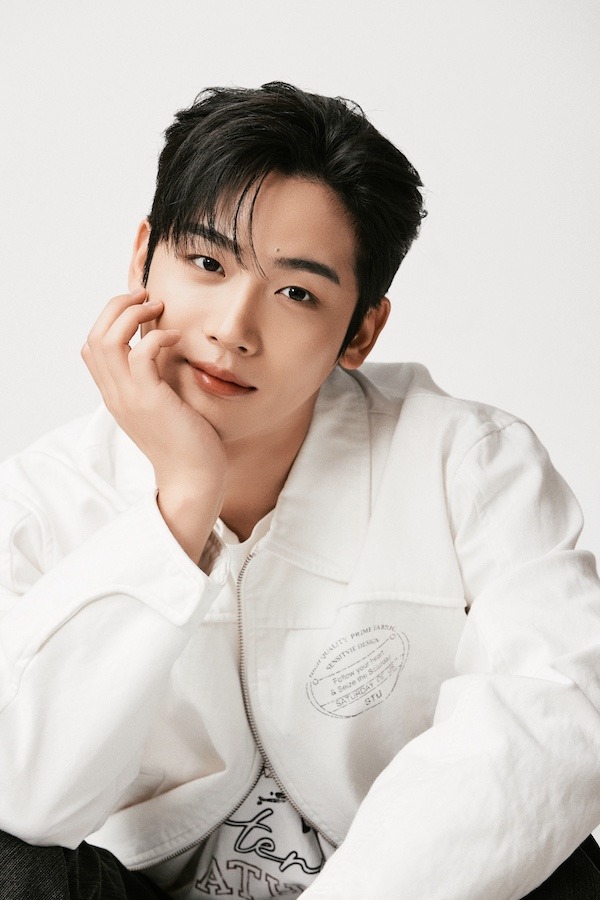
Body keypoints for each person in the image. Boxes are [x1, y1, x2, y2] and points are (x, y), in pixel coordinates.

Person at [0, 82, 599, 900]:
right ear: (142, 259)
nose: (232, 329)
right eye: (207, 264)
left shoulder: (466, 461)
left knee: (558, 862)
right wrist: (181, 503)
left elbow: (558, 710)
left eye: (297, 293)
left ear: (361, 330)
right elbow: (21, 795)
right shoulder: (41, 499)